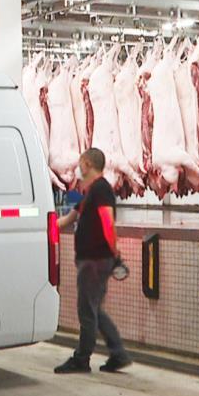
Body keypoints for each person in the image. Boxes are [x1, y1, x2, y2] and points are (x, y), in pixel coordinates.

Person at [54, 147, 131, 374]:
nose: (78, 167)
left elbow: (108, 222)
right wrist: (43, 226)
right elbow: (68, 219)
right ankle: (118, 354)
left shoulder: (102, 189)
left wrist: (114, 252)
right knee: (94, 308)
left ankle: (82, 359)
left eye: (80, 163)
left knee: (87, 310)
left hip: (96, 260)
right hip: (91, 259)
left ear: (87, 164)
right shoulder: (88, 192)